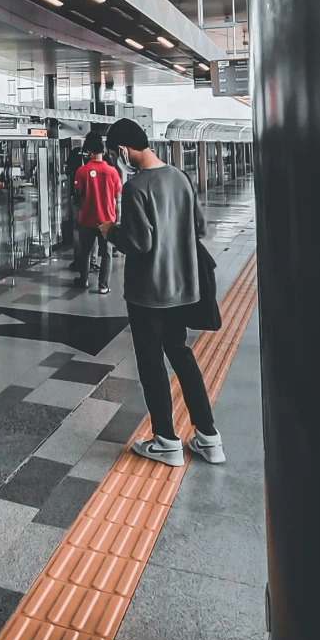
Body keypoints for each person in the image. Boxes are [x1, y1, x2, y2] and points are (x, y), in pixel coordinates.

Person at [100, 117, 225, 466]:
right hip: (184, 289)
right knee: (182, 357)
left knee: (152, 363)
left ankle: (166, 440)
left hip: (148, 294)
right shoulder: (180, 178)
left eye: (115, 153)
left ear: (123, 149)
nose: (116, 158)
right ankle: (208, 437)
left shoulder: (137, 188)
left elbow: (138, 242)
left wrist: (110, 230)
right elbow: (199, 227)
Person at [71, 130, 120, 294]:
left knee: (85, 252)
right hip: (107, 219)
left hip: (87, 218)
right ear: (104, 152)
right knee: (106, 253)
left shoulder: (82, 171)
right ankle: (103, 286)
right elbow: (116, 194)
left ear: (88, 152)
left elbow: (78, 192)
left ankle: (84, 280)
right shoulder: (113, 171)